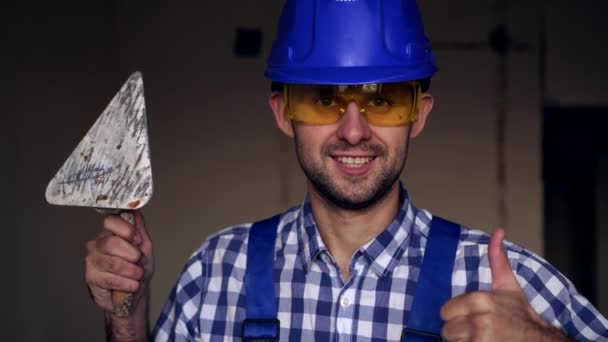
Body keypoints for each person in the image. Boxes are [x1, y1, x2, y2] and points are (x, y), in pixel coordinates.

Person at [85, 0, 608, 341]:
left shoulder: (508, 284)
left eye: (382, 100)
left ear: (418, 116)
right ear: (282, 113)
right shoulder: (217, 271)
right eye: (322, 99)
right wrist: (126, 317)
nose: (354, 131)